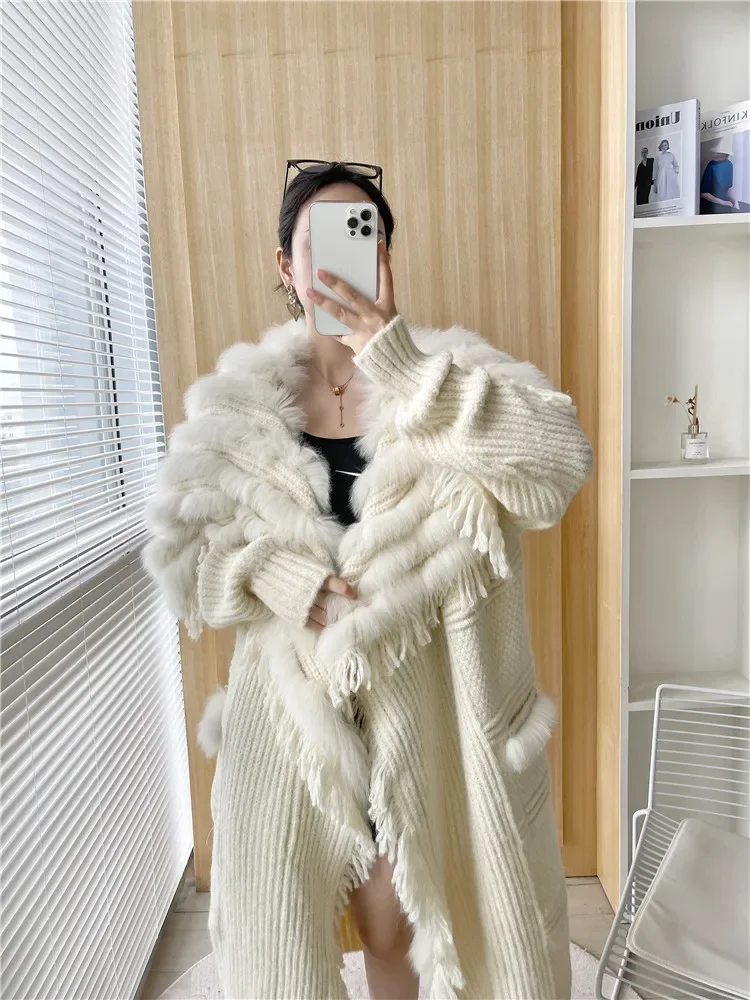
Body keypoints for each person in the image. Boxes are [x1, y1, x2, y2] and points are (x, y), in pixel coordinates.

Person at [143, 160, 593, 1000]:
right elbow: (181, 555)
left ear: (385, 253)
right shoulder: (239, 408)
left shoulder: (447, 373)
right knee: (276, 943)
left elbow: (558, 464)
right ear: (285, 264)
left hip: (428, 708)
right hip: (291, 718)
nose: (345, 255)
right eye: (321, 238)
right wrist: (275, 575)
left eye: (366, 234)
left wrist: (401, 363)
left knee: (400, 927)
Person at [700, 135, 740, 214]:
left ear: (725, 154)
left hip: (725, 202)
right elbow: (704, 194)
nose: (715, 154)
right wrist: (724, 203)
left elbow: (728, 188)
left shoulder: (729, 165)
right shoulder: (711, 166)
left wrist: (735, 201)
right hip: (711, 204)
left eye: (719, 153)